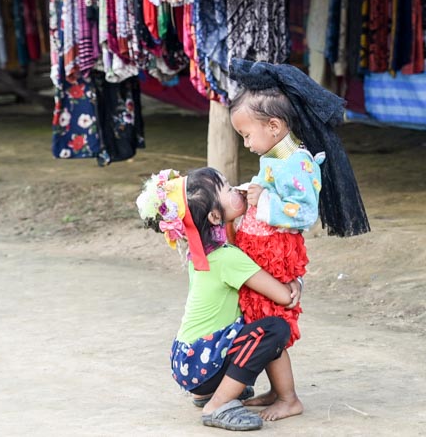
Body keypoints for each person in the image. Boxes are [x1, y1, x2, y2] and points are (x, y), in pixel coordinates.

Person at [223, 58, 370, 413]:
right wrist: (252, 192)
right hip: (264, 253)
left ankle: (289, 399)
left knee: (270, 328)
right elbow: (270, 190)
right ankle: (277, 391)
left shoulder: (298, 163)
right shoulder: (276, 156)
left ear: (273, 125)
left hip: (277, 256)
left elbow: (304, 212)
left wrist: (266, 200)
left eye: (246, 135)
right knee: (263, 325)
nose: (245, 144)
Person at [136, 167, 302, 431]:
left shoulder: (200, 252)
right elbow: (283, 297)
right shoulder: (227, 259)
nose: (237, 189)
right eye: (226, 188)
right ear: (214, 216)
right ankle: (218, 404)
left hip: (188, 360)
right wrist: (296, 282)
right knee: (274, 328)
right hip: (202, 363)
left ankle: (207, 395)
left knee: (257, 325)